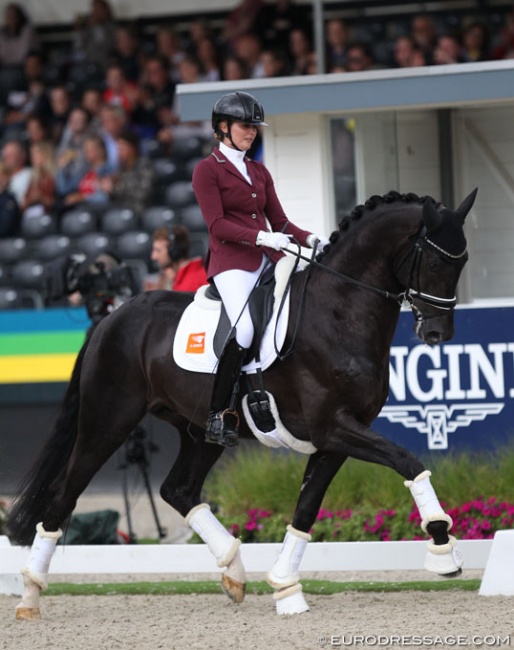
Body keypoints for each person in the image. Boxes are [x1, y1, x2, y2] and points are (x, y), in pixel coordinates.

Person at [192, 91, 329, 447]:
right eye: (244, 126)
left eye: (254, 127)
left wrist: (313, 238)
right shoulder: (207, 170)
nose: (251, 132)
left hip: (268, 259)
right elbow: (217, 225)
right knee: (245, 332)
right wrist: (262, 239)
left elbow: (280, 222)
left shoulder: (258, 170)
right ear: (222, 128)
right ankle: (219, 414)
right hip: (231, 263)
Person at [148, 225, 207, 292]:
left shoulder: (189, 285)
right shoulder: (179, 279)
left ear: (174, 251)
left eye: (158, 250)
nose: (153, 256)